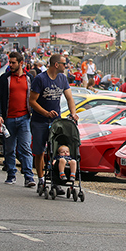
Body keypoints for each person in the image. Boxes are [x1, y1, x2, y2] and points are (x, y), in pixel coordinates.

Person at [30, 53, 78, 187]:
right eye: (64, 63)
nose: (66, 66)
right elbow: (32, 101)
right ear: (56, 65)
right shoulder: (40, 79)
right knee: (39, 151)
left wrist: (73, 113)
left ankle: (55, 178)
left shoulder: (62, 78)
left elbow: (69, 98)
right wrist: (46, 113)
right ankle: (40, 178)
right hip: (40, 120)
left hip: (56, 120)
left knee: (55, 150)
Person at [0, 51, 35, 187]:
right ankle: (11, 173)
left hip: (24, 118)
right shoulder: (4, 79)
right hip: (8, 119)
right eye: (9, 62)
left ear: (21, 63)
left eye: (13, 63)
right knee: (10, 149)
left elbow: (35, 98)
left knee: (25, 148)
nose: (10, 65)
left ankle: (29, 176)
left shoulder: (29, 78)